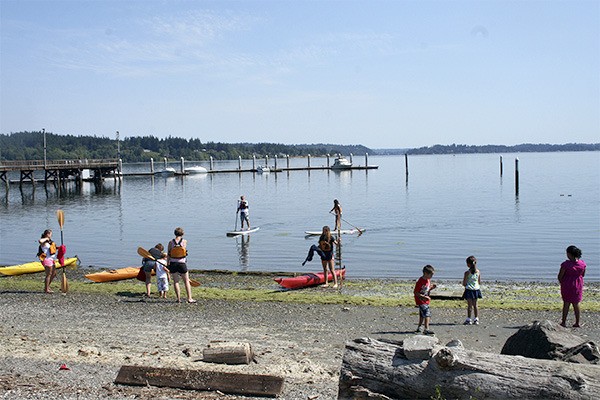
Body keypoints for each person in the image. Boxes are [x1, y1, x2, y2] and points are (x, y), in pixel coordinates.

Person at [558, 245, 586, 328]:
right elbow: (583, 274)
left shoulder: (565, 264)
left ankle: (563, 322)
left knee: (566, 303)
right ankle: (577, 322)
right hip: (578, 285)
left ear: (569, 254)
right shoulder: (582, 264)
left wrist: (562, 282)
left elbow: (560, 276)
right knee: (576, 304)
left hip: (567, 284)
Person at [167, 227, 196, 303]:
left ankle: (178, 299)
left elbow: (168, 254)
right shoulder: (184, 241)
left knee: (176, 281)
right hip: (182, 263)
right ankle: (189, 298)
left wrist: (167, 264)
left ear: (174, 233)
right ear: (182, 234)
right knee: (186, 281)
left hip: (173, 263)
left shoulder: (170, 242)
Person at [414, 265, 436, 335]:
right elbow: (416, 292)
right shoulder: (420, 281)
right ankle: (426, 328)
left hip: (425, 300)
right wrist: (423, 296)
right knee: (427, 313)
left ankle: (419, 327)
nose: (431, 276)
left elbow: (427, 289)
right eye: (431, 275)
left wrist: (432, 287)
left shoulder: (428, 280)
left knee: (422, 314)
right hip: (421, 300)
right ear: (425, 273)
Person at [462, 256, 482, 325]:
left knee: (469, 305)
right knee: (475, 305)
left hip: (469, 289)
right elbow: (479, 282)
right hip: (476, 289)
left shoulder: (467, 273)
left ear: (468, 264)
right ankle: (476, 318)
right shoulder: (478, 271)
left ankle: (468, 319)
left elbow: (464, 283)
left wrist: (467, 284)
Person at [38, 229, 57, 293]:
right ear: (47, 234)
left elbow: (52, 248)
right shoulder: (44, 241)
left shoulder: (50, 242)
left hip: (51, 259)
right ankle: (46, 289)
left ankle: (47, 287)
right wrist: (46, 238)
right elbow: (40, 241)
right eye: (50, 234)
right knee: (49, 274)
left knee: (54, 274)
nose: (51, 235)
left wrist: (60, 248)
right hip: (46, 259)